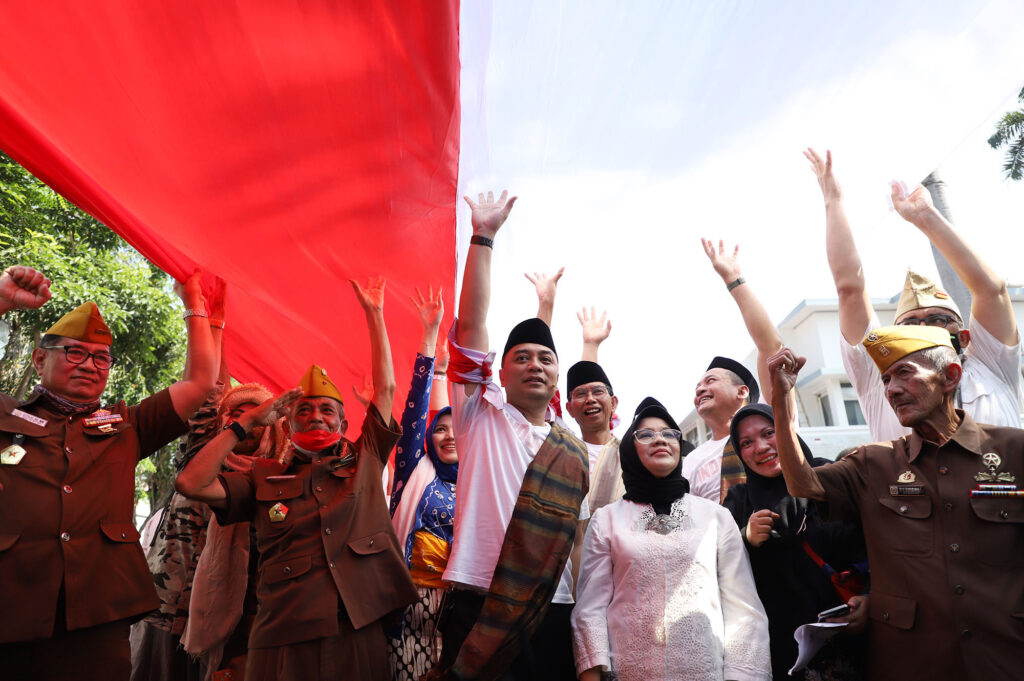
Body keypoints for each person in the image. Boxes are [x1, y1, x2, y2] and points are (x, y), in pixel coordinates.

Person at [175, 277, 417, 681]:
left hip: (354, 632)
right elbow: (192, 483)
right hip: (281, 637)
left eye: (326, 410)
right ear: (285, 420)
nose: (316, 417)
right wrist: (249, 421)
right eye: (303, 411)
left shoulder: (366, 460)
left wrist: (375, 314)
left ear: (343, 422)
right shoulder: (263, 474)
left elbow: (388, 388)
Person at [768, 328, 1024, 681]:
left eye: (905, 373)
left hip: (1005, 656)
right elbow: (803, 483)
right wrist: (781, 401)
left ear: (950, 377)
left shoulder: (1014, 450)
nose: (892, 390)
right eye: (886, 380)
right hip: (911, 662)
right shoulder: (874, 463)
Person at [0, 265, 216, 681]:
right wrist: (4, 300)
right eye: (75, 353)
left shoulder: (126, 427)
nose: (89, 365)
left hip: (97, 617)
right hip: (12, 608)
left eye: (101, 358)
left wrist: (195, 307)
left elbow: (200, 382)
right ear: (39, 357)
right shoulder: (8, 416)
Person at [435, 190, 590, 681]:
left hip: (553, 604)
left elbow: (579, 539)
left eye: (545, 359)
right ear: (499, 372)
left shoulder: (571, 447)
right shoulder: (480, 415)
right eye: (521, 357)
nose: (534, 366)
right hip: (479, 598)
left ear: (557, 376)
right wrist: (483, 236)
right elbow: (473, 325)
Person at [805, 148, 1022, 441]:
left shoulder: (990, 365)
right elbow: (849, 289)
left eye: (937, 319)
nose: (924, 328)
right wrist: (833, 201)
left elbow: (991, 290)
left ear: (965, 336)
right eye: (910, 324)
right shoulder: (880, 381)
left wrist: (925, 217)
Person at [571, 397, 771, 681]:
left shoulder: (715, 517)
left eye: (669, 434)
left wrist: (742, 676)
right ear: (629, 449)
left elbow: (743, 607)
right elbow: (590, 608)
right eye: (646, 435)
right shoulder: (607, 520)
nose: (660, 440)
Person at [723, 403, 868, 680]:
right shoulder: (740, 502)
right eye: (747, 442)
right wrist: (746, 538)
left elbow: (874, 547)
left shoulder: (827, 478)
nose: (762, 447)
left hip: (851, 639)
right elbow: (724, 575)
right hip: (780, 651)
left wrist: (869, 599)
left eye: (769, 432)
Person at [684, 238, 796, 505]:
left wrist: (734, 281)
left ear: (742, 391)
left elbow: (770, 346)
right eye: (697, 387)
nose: (700, 390)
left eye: (710, 381)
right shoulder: (690, 461)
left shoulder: (776, 426)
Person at [386, 285, 456, 681]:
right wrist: (429, 339)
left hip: (458, 614)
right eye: (440, 429)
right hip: (406, 606)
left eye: (456, 429)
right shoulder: (415, 470)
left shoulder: (479, 483)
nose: (448, 436)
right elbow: (415, 409)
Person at [565, 308, 623, 514]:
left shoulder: (632, 453)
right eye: (580, 394)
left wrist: (591, 346)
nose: (590, 399)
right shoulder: (561, 454)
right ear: (569, 409)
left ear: (614, 403)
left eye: (598, 392)